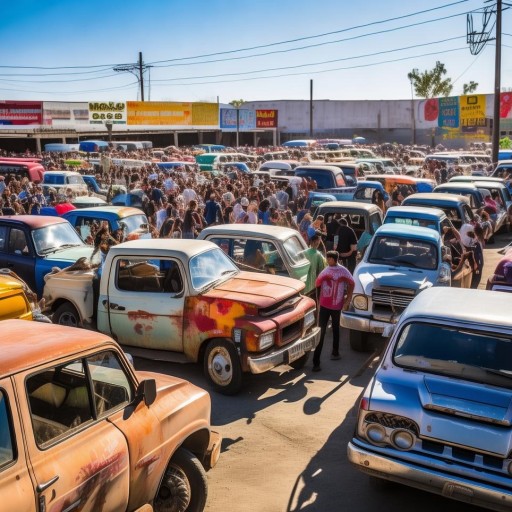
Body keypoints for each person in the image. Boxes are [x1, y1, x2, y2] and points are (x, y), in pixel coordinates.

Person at [312, 251, 354, 371]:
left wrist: (348, 299)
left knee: (336, 328)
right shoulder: (326, 271)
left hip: (336, 305)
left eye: (330, 259)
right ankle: (316, 362)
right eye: (328, 259)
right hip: (325, 305)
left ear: (335, 259)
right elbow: (317, 282)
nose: (329, 261)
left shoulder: (343, 271)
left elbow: (352, 282)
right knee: (321, 331)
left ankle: (335, 352)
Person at [303, 234, 326, 299]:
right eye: (318, 242)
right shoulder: (318, 254)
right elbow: (322, 268)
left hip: (305, 277)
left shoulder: (304, 252)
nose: (318, 244)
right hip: (314, 279)